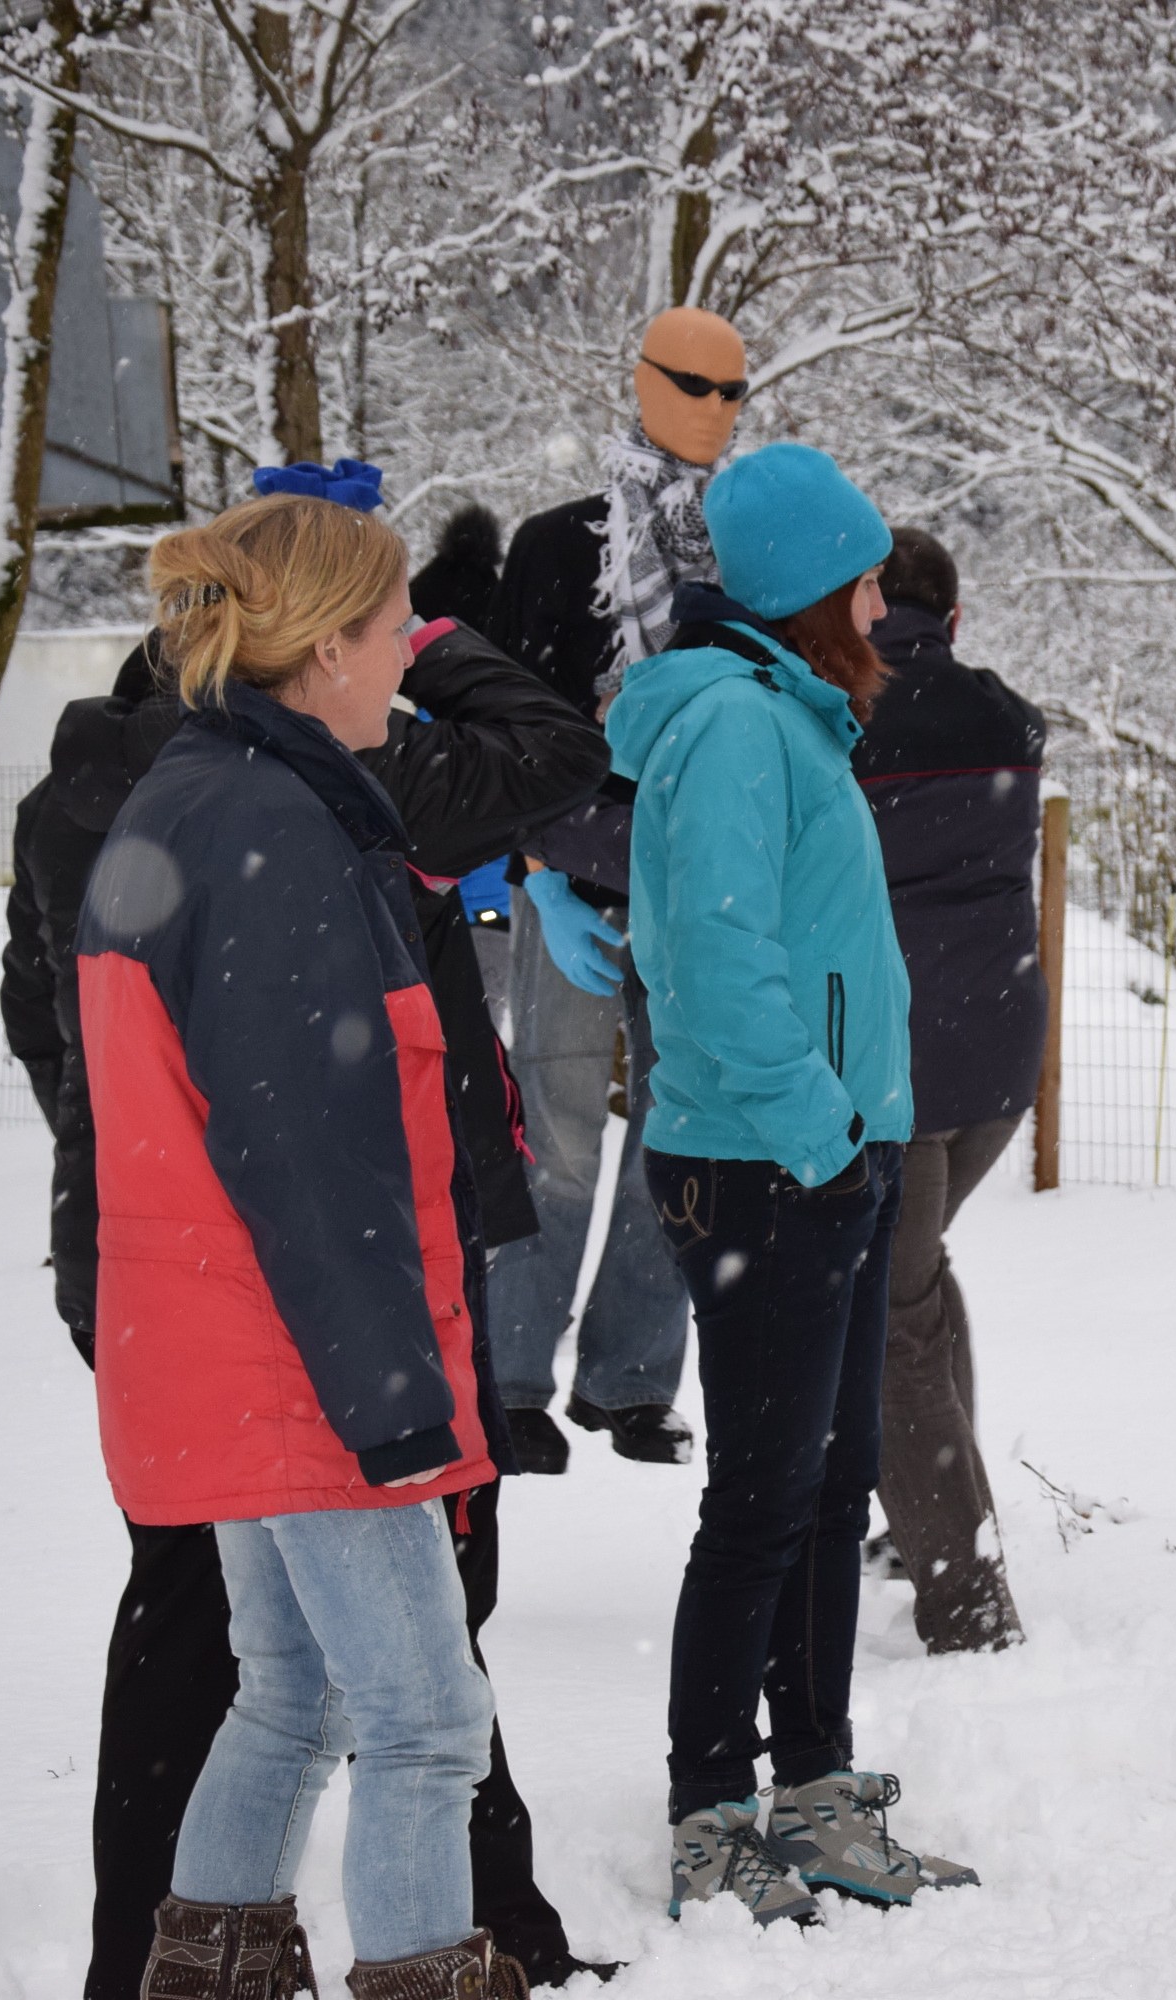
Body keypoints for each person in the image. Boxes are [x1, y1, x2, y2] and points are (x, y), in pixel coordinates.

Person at [4, 465, 611, 1996]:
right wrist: (394, 1406)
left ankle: (204, 1975)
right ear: (327, 644)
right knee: (424, 1718)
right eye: (397, 625)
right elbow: (310, 1160)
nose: (408, 652)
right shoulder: (270, 831)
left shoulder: (202, 793)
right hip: (296, 1362)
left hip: (214, 1338)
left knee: (289, 1698)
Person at [613, 442, 977, 1924]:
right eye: (868, 579)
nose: (885, 605)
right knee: (762, 1499)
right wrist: (820, 1131)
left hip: (828, 1153)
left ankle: (815, 1790)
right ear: (812, 587)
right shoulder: (733, 727)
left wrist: (850, 1133)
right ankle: (711, 1813)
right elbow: (716, 962)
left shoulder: (788, 718)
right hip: (765, 1164)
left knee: (829, 1484)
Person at [477, 309, 751, 1472]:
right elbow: (510, 721)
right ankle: (509, 1377)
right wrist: (539, 874)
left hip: (704, 890)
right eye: (693, 384)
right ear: (640, 382)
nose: (716, 410)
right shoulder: (558, 548)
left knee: (677, 1137)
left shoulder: (751, 548)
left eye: (736, 391)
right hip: (576, 876)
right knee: (556, 1132)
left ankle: (632, 1377)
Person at [852, 525, 1039, 1653]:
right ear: (955, 617)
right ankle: (931, 1515)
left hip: (899, 1066)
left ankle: (964, 1596)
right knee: (914, 1280)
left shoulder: (845, 716)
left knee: (891, 1316)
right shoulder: (1007, 717)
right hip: (1001, 1062)